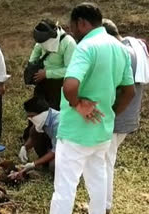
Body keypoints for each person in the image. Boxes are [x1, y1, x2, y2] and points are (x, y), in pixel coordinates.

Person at [50, 3, 135, 214]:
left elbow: (70, 85)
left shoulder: (86, 47)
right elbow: (130, 92)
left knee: (64, 188)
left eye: (72, 26)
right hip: (102, 131)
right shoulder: (120, 48)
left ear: (81, 23)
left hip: (75, 133)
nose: (72, 32)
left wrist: (78, 104)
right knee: (98, 183)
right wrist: (111, 112)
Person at [102, 18, 148, 214]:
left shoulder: (121, 53)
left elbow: (116, 89)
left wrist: (109, 113)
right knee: (106, 159)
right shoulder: (133, 45)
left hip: (117, 118)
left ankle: (105, 205)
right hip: (129, 116)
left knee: (106, 162)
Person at [28, 18, 76, 110]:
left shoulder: (68, 43)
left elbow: (70, 70)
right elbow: (37, 48)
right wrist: (31, 65)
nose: (43, 45)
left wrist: (47, 74)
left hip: (58, 86)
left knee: (54, 115)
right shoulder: (42, 40)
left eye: (45, 42)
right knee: (37, 112)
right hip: (42, 82)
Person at [18, 97, 59, 174]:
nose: (30, 119)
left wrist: (34, 164)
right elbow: (34, 133)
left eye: (31, 116)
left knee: (54, 166)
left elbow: (56, 151)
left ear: (41, 113)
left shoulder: (57, 124)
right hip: (54, 143)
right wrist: (25, 147)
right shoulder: (42, 118)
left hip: (69, 147)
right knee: (38, 138)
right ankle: (44, 160)